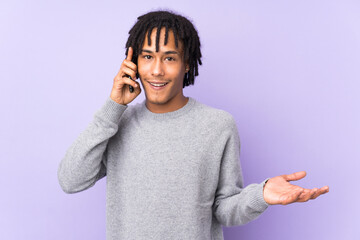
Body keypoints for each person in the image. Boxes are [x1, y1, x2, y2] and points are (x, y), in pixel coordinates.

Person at [57, 10, 329, 240]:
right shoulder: (116, 123)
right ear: (133, 63)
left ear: (187, 64)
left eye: (170, 58)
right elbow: (71, 180)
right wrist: (113, 107)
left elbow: (223, 209)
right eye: (147, 57)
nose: (157, 70)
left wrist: (262, 195)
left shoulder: (218, 125)